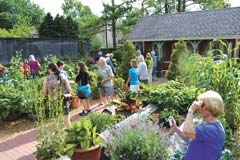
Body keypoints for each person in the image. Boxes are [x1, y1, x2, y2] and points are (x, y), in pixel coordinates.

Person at [170, 90, 225, 160]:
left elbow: (187, 131)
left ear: (211, 108)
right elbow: (189, 138)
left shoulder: (213, 129)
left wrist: (191, 110)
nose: (199, 108)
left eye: (202, 105)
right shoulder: (207, 125)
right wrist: (175, 128)